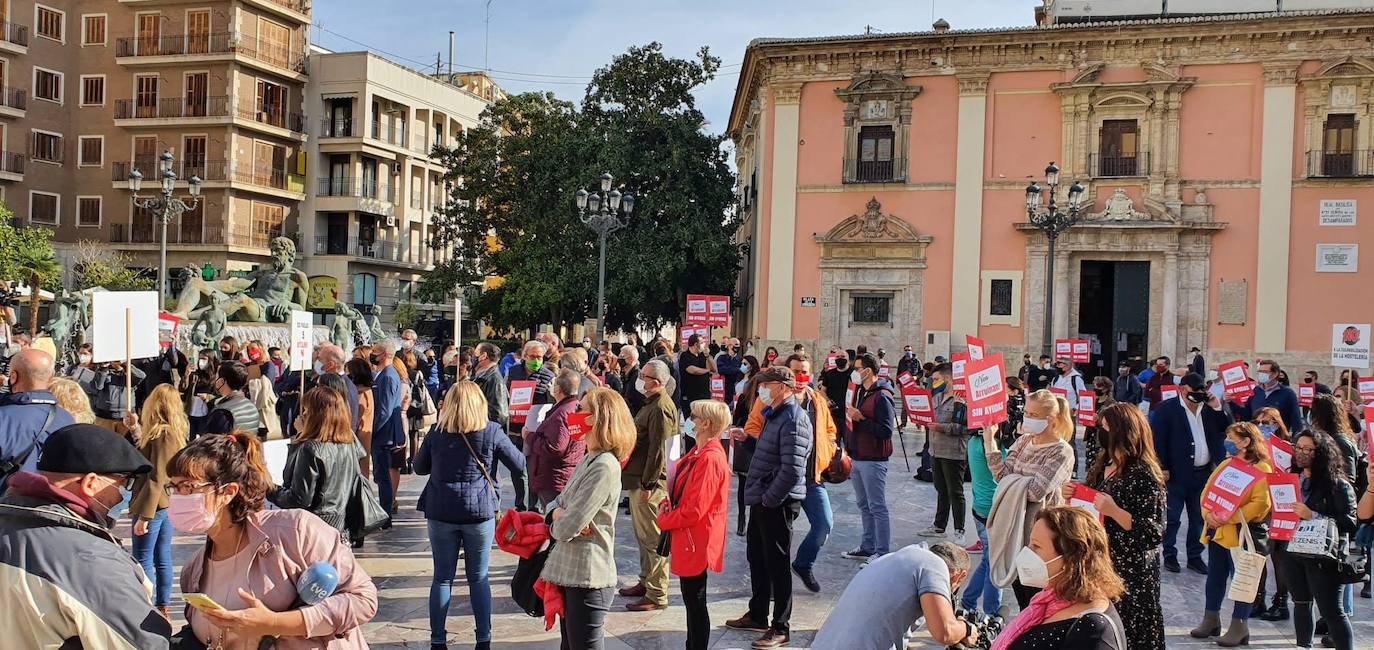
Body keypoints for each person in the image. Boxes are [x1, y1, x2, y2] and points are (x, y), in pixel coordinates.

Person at [167, 431, 378, 648]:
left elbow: (363, 600)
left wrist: (275, 623)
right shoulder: (193, 572)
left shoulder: (295, 531)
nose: (176, 496)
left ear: (228, 492)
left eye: (188, 487)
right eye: (173, 487)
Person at [0, 423, 173, 647]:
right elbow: (147, 644)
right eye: (124, 482)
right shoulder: (90, 559)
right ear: (90, 483)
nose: (124, 495)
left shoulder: (9, 521)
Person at [415, 382, 525, 650]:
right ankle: (483, 638)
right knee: (478, 577)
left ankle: (437, 640)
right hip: (479, 512)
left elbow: (419, 468)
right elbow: (520, 465)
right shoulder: (492, 432)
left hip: (441, 510)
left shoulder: (436, 433)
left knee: (442, 577)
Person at [542, 387, 636, 650]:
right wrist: (558, 512)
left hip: (589, 576)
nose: (574, 414)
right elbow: (556, 504)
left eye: (581, 409)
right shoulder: (590, 457)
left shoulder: (604, 465)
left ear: (598, 418)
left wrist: (561, 515)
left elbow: (565, 527)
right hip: (572, 572)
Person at [725, 366, 812, 649]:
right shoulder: (773, 413)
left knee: (777, 563)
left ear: (783, 387)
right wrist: (748, 439)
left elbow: (791, 469)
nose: (761, 389)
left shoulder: (794, 419)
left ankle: (781, 626)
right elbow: (771, 451)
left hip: (777, 500)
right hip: (763, 496)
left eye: (766, 384)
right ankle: (758, 613)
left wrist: (769, 498)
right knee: (756, 557)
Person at [1071, 403, 1165, 650]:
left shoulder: (1144, 473)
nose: (1099, 431)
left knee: (1130, 632)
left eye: (1104, 427)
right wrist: (1075, 491)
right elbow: (1093, 496)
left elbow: (1153, 531)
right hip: (1104, 562)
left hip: (1133, 572)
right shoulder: (1104, 462)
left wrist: (1114, 511)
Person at [742, 353, 838, 590]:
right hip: (781, 476)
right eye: (797, 372)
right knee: (779, 535)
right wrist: (769, 445)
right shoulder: (768, 400)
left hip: (812, 477)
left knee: (824, 524)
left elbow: (830, 430)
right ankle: (774, 585)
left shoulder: (816, 399)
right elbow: (753, 426)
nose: (802, 376)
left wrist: (828, 448)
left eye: (806, 371)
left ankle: (804, 563)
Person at [982, 389, 1076, 608]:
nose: (1027, 419)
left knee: (1038, 601)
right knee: (1022, 596)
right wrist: (990, 443)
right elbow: (1001, 475)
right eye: (1026, 412)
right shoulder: (1024, 441)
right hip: (1015, 532)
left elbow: (1036, 491)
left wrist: (1014, 480)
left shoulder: (1061, 452)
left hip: (1042, 538)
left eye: (1033, 415)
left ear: (1051, 419)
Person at [990, 507, 1127, 649]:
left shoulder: (1094, 631)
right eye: (1029, 544)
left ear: (1070, 559)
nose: (1027, 552)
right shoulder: (1048, 599)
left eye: (1036, 546)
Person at [1187, 422, 1272, 646]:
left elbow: (1261, 503)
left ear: (1246, 442)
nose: (1228, 442)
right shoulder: (1226, 464)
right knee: (1215, 576)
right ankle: (1211, 618)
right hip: (1219, 532)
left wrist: (1229, 516)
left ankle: (1239, 625)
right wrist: (1208, 514)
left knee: (1241, 579)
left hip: (1241, 533)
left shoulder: (1263, 469)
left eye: (1232, 438)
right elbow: (1208, 489)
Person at [656, 400, 732, 650]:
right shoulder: (699, 451)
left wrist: (665, 519)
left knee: (695, 600)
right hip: (690, 537)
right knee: (692, 598)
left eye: (694, 416)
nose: (690, 419)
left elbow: (695, 510)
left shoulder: (710, 458)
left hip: (696, 538)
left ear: (706, 423)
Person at [812, 542, 976, 649]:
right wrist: (967, 629)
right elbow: (944, 632)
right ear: (958, 576)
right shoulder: (934, 564)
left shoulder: (890, 559)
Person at [1280, 430, 1358, 650]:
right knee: (1301, 604)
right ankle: (1303, 646)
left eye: (1308, 449)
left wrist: (1313, 515)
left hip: (1324, 557)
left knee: (1332, 612)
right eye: (1298, 448)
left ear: (1321, 452)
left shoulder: (1338, 484)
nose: (1301, 453)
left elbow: (1349, 522)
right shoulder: (1291, 479)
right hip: (1293, 551)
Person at [120, 384, 190, 620]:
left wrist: (144, 515)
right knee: (162, 556)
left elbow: (156, 475)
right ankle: (161, 605)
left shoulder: (162, 434)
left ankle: (147, 607)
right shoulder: (173, 432)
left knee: (144, 558)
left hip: (155, 503)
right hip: (165, 501)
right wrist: (135, 428)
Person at [1150, 372, 1229, 574]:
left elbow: (1227, 430)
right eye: (1196, 391)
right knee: (1173, 517)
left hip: (1203, 474)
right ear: (1183, 390)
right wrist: (1162, 467)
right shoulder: (1166, 410)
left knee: (1198, 518)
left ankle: (1195, 556)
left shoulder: (1209, 410)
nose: (1200, 394)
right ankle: (1170, 554)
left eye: (1203, 390)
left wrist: (1217, 408)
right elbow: (1157, 441)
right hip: (1176, 474)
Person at [619, 359, 677, 611]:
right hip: (639, 479)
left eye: (644, 376)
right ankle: (646, 581)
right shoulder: (650, 404)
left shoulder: (661, 407)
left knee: (653, 539)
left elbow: (658, 451)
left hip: (650, 484)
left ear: (657, 381)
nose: (640, 379)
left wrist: (648, 484)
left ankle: (656, 593)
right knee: (643, 537)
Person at [267, 387, 362, 533]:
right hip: (339, 526)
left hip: (314, 528)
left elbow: (298, 499)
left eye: (307, 410)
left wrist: (270, 489)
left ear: (318, 414)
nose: (303, 414)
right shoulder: (348, 444)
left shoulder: (311, 448)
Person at [840, 353, 894, 562]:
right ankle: (868, 545)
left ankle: (882, 552)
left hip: (874, 459)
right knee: (864, 504)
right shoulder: (862, 392)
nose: (854, 371)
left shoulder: (882, 396)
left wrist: (861, 419)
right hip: (858, 455)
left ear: (868, 371)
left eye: (857, 368)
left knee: (877, 506)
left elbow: (886, 430)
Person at [0, 349, 76, 489]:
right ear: (52, 376)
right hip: (46, 503)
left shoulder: (3, 417)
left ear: (13, 377)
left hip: (7, 502)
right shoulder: (67, 419)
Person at [962, 392, 1004, 617]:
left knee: (989, 560)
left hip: (980, 507)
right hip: (993, 511)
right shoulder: (993, 448)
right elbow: (1004, 472)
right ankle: (991, 612)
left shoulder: (973, 442)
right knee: (995, 565)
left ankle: (968, 601)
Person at [922, 362, 969, 541]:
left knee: (955, 492)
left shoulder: (961, 400)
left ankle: (959, 530)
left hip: (953, 452)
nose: (933, 382)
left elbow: (962, 428)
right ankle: (939, 525)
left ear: (948, 378)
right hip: (936, 450)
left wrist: (940, 427)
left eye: (936, 379)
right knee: (941, 490)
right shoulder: (936, 397)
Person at [527, 369, 585, 511]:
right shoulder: (575, 408)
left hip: (554, 478)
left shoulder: (561, 414)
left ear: (558, 389)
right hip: (567, 473)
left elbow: (555, 448)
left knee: (554, 522)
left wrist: (529, 437)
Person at [371, 340, 404, 515]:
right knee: (381, 475)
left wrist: (372, 431)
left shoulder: (388, 376)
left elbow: (384, 410)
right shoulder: (386, 375)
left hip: (384, 435)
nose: (372, 354)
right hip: (385, 434)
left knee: (382, 475)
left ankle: (385, 513)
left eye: (375, 351)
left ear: (384, 354)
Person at [731, 371, 761, 536]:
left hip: (748, 445)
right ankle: (744, 521)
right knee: (750, 485)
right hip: (753, 445)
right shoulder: (751, 400)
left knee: (744, 486)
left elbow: (736, 420)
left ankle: (742, 520)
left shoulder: (747, 398)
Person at [204, 361, 261, 436]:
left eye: (217, 376)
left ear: (221, 381)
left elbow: (213, 443)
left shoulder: (222, 412)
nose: (215, 379)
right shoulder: (251, 406)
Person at [91, 361, 145, 433]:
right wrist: (104, 368)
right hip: (105, 417)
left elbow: (141, 376)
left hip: (126, 416)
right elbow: (98, 386)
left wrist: (125, 364)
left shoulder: (130, 373)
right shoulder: (103, 372)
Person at [345, 358, 376, 478]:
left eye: (348, 372)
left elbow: (354, 420)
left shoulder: (360, 394)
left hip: (359, 438)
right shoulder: (367, 391)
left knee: (358, 473)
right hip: (363, 438)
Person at [1082, 376, 1116, 473]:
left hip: (1101, 436)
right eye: (1095, 386)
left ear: (1106, 389)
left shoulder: (1111, 403)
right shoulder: (1092, 401)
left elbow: (1112, 422)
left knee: (1100, 461)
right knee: (1090, 462)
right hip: (1091, 436)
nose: (1096, 388)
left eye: (1099, 387)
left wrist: (1098, 420)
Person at [184, 350, 219, 438]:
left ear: (210, 360)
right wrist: (186, 376)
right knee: (191, 438)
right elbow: (183, 389)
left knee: (204, 438)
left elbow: (219, 397)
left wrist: (207, 397)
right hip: (192, 412)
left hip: (205, 413)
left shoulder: (215, 377)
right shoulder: (195, 375)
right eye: (199, 359)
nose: (201, 362)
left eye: (204, 359)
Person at [677, 334, 717, 408]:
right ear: (696, 344)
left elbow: (714, 369)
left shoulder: (702, 355)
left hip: (704, 395)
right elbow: (692, 370)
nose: (704, 345)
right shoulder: (685, 356)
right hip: (690, 396)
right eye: (702, 343)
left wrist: (708, 356)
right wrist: (707, 370)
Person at [618, 345, 645, 415]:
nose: (619, 358)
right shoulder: (625, 375)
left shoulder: (638, 377)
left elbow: (639, 401)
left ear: (632, 358)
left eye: (622, 356)